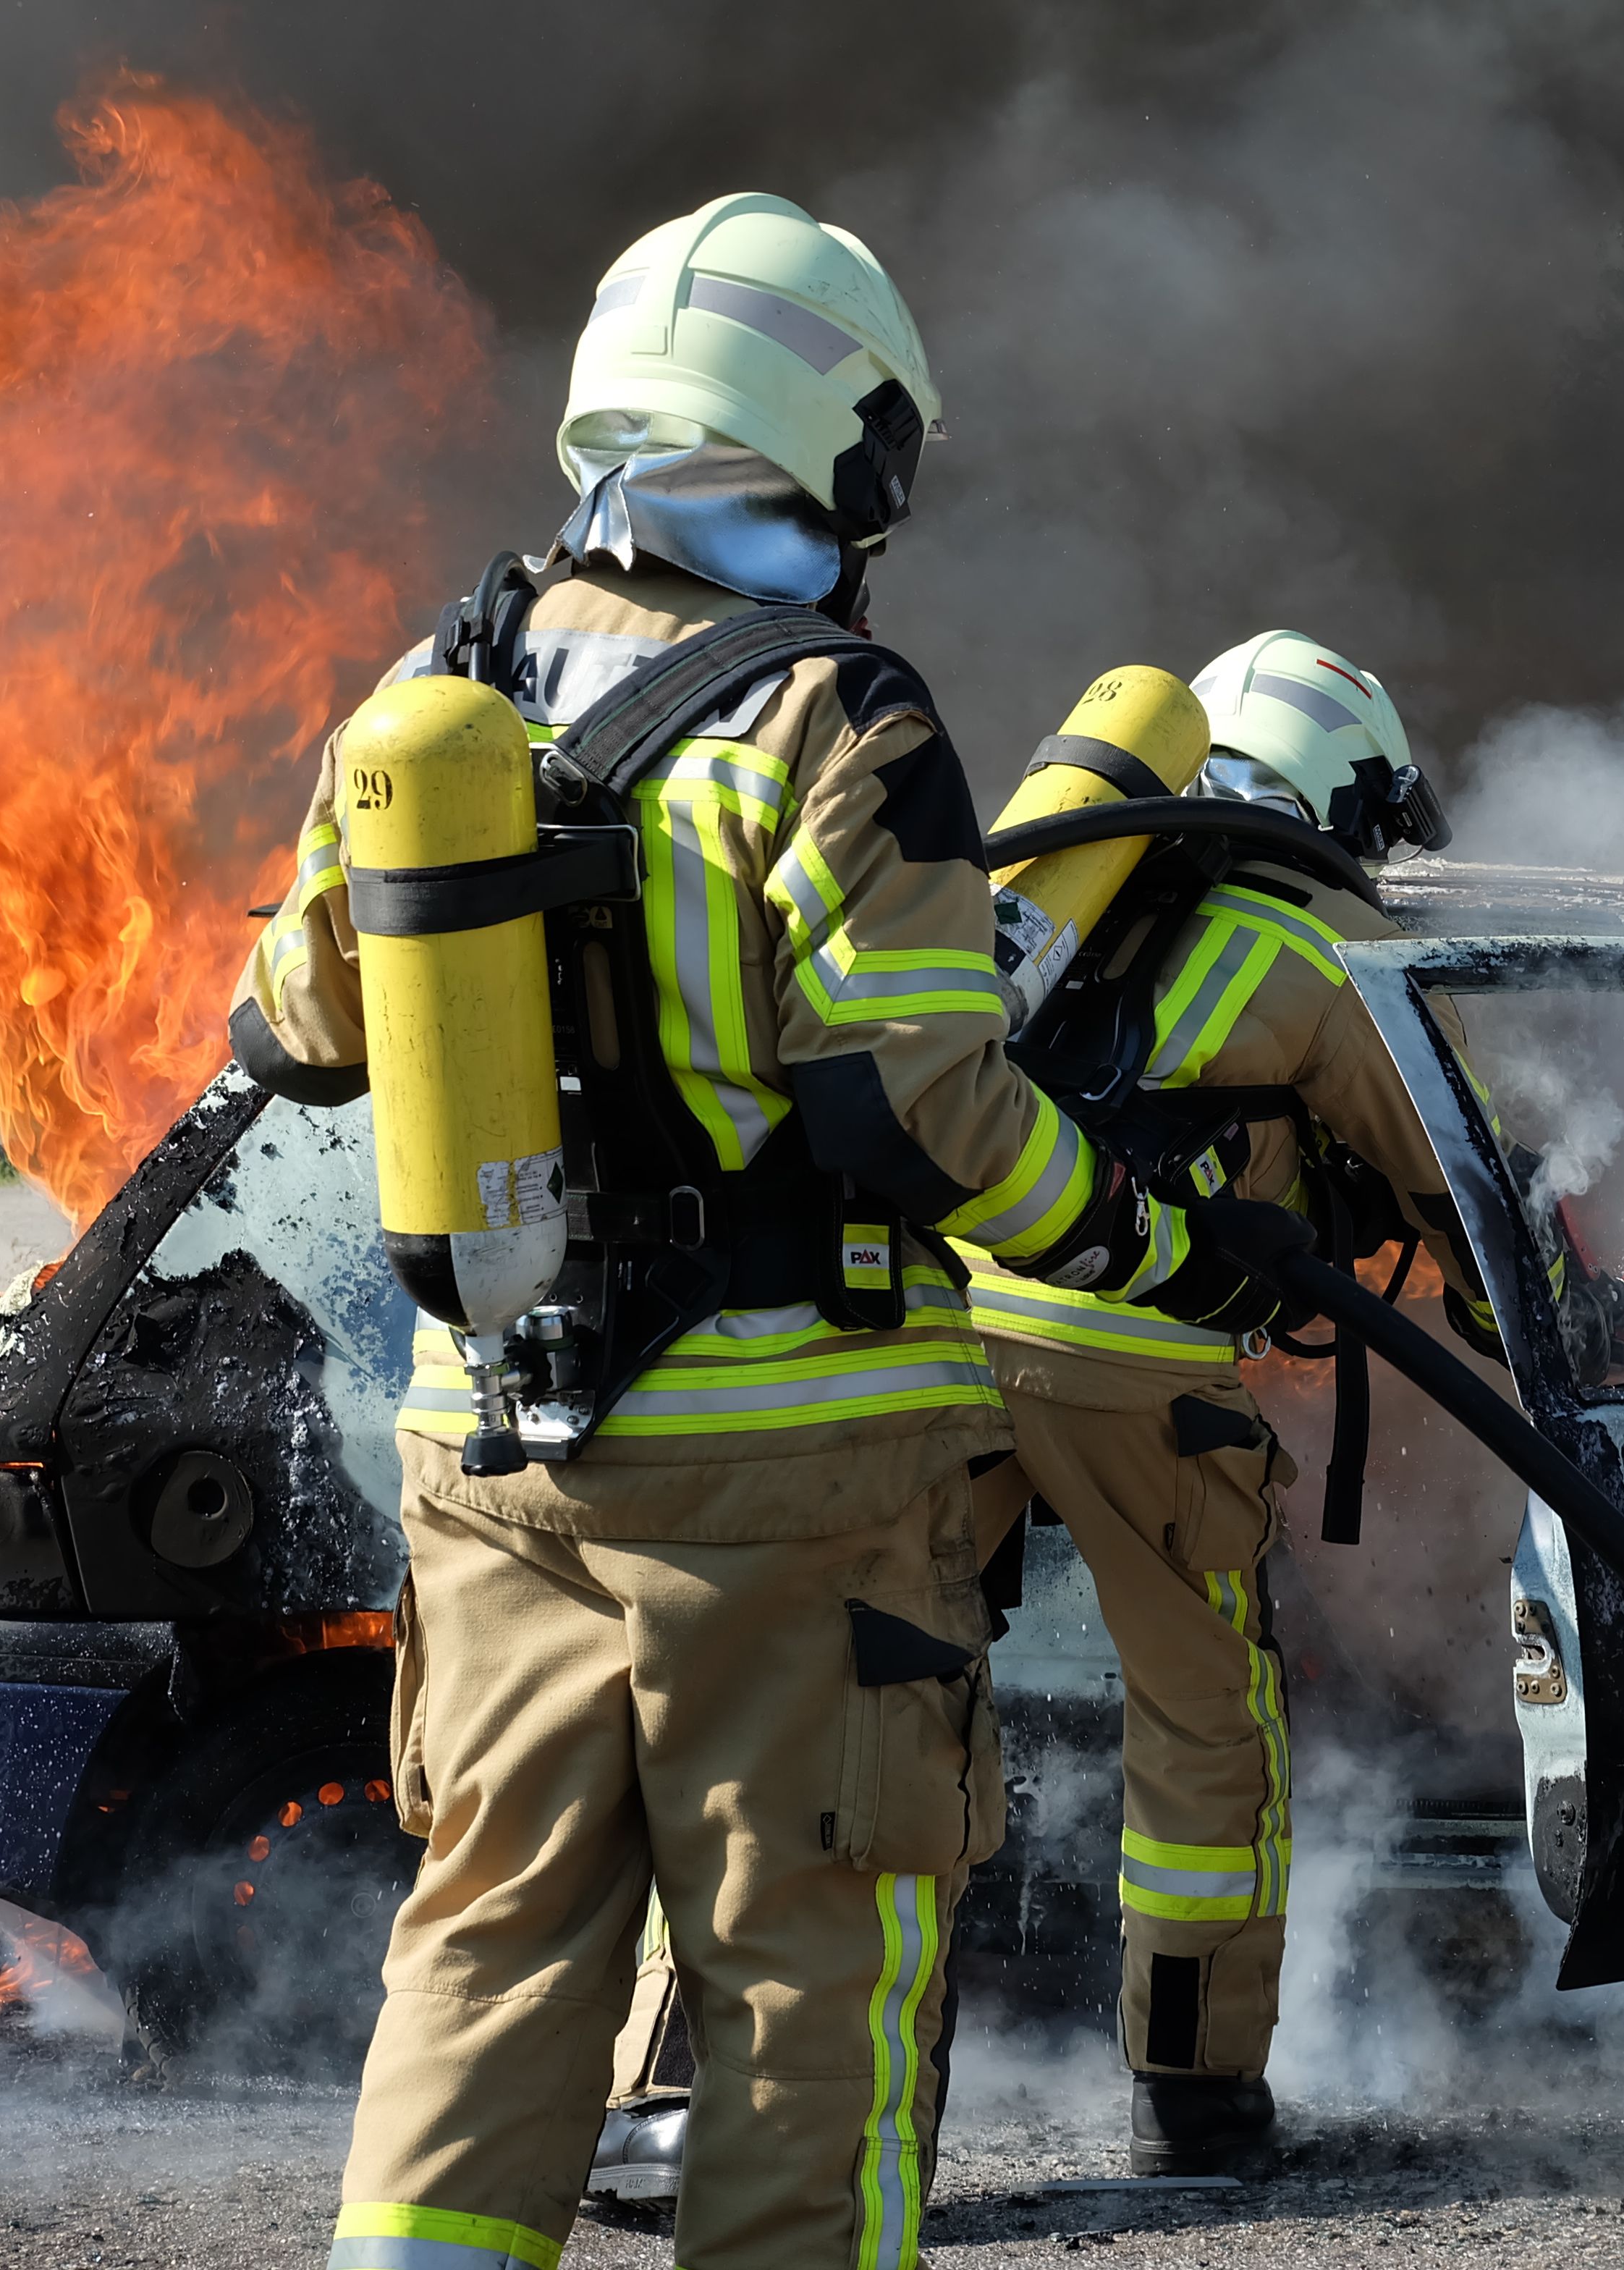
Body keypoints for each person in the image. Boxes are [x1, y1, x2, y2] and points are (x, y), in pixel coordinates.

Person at [230, 193, 1235, 2270]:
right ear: (840, 441)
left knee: (490, 1955)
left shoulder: (442, 682)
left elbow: (296, 1028)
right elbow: (923, 1101)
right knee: (805, 1993)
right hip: (784, 1476)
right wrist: (1133, 1240)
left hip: (491, 1448)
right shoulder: (832, 719)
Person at [587, 630, 1611, 2191]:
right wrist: (1549, 1337)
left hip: (947, 1340)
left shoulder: (1029, 912)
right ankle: (1196, 2109)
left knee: (848, 1709)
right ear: (1335, 789)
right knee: (1207, 1727)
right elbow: (1457, 1193)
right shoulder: (1295, 966)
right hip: (1139, 1371)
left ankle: (691, 2092)